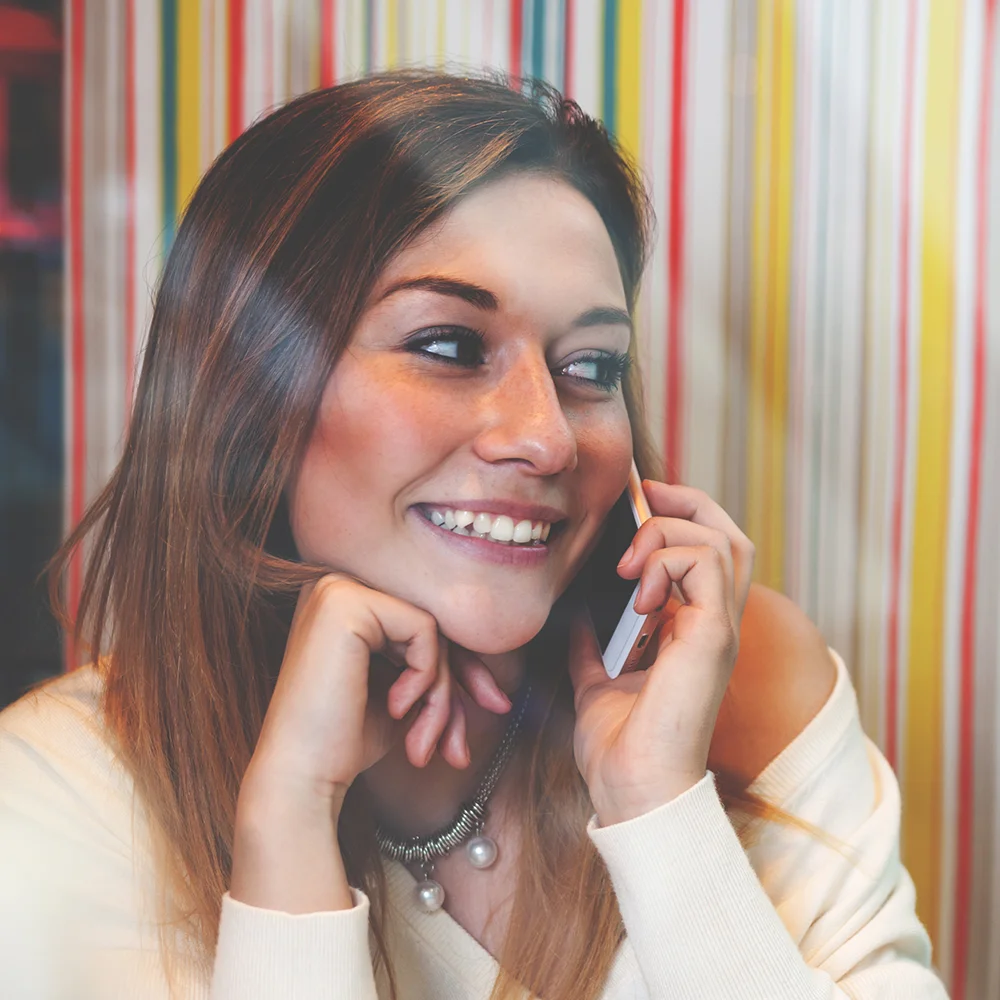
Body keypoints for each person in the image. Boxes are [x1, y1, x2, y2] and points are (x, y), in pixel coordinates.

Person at [0, 69, 948, 1000]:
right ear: (246, 393)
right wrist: (287, 827)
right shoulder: (42, 809)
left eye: (591, 364)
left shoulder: (750, 687)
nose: (545, 437)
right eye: (448, 345)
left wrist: (657, 806)